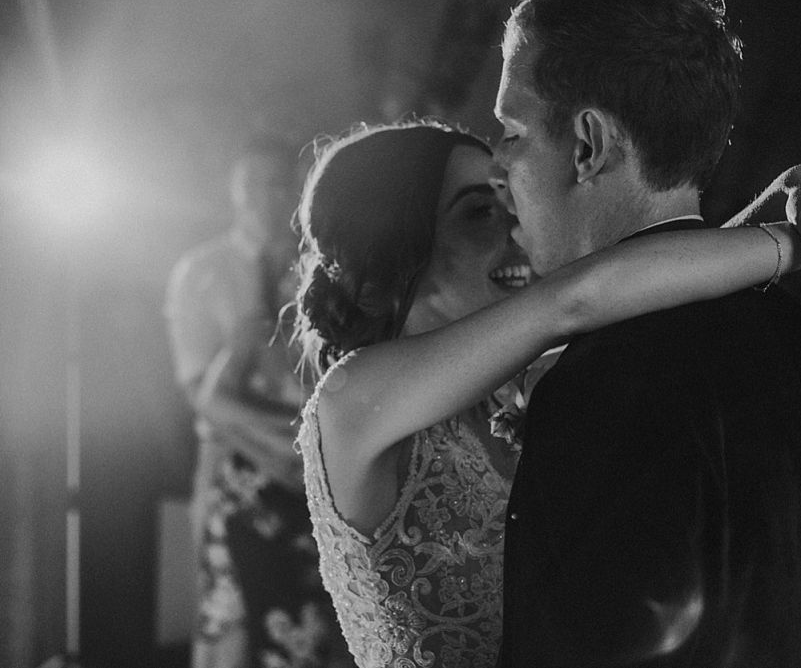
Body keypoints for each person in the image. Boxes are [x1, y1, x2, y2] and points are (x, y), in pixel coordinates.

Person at [292, 119, 801, 668]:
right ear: (386, 259)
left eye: (509, 200)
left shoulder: (522, 382)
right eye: (478, 212)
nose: (515, 227)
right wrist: (791, 241)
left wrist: (773, 204)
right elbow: (576, 300)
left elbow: (647, 294)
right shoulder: (350, 405)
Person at [492, 0, 801, 667]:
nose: (498, 162)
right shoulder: (786, 330)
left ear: (588, 145)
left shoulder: (600, 383)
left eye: (511, 131)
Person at [164, 140, 298, 668]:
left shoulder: (319, 266)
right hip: (231, 466)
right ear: (233, 191)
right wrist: (282, 446)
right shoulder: (202, 271)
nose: (265, 197)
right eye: (252, 185)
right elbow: (201, 395)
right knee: (231, 630)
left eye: (277, 184)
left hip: (309, 468)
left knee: (302, 627)